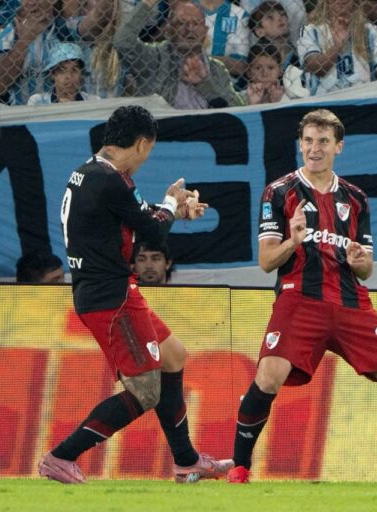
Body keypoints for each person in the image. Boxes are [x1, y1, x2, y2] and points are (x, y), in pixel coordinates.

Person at [226, 109, 377, 485]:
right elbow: (265, 262)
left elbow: (366, 267)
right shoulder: (279, 193)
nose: (315, 148)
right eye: (308, 141)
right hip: (300, 301)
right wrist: (294, 241)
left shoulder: (355, 198)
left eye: (323, 141)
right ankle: (240, 468)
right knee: (268, 376)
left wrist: (361, 263)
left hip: (351, 303)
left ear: (338, 147)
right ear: (300, 145)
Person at [39, 105, 232, 484]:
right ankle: (61, 457)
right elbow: (153, 230)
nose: (146, 159)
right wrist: (172, 207)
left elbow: (144, 220)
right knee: (145, 391)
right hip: (111, 299)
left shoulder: (90, 173)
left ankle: (186, 461)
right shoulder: (111, 180)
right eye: (150, 151)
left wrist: (173, 211)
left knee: (174, 356)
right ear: (142, 144)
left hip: (107, 291)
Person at [114, 0, 245, 108]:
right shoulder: (154, 58)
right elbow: (122, 41)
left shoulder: (217, 69)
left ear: (205, 32)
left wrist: (205, 84)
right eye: (181, 23)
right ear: (168, 30)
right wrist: (147, 3)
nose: (189, 29)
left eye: (196, 23)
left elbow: (236, 111)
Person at [297, 0, 377, 96]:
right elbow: (317, 68)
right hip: (324, 106)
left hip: (364, 103)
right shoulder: (310, 31)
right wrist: (337, 46)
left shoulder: (369, 31)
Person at [26, 42, 102, 105]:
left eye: (75, 70)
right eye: (62, 70)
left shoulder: (93, 101)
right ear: (53, 74)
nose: (69, 76)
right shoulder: (37, 101)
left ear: (81, 74)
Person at [194, 0, 252, 78]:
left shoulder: (240, 15)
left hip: (224, 85)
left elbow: (240, 65)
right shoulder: (184, 9)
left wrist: (201, 59)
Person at [242, 42, 309, 104]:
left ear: (280, 71)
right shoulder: (241, 98)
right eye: (258, 68)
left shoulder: (291, 94)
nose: (265, 74)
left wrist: (280, 101)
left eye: (271, 68)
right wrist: (253, 104)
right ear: (249, 72)